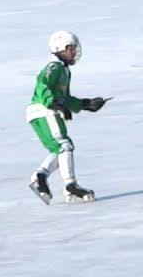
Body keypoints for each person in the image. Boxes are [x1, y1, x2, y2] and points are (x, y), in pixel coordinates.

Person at [26, 31, 107, 204]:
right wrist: (54, 104)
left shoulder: (64, 71)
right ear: (60, 49)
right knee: (64, 146)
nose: (74, 52)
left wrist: (86, 104)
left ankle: (40, 177)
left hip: (46, 111)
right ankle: (70, 186)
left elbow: (65, 98)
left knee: (61, 148)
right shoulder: (54, 67)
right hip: (43, 109)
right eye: (71, 49)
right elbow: (42, 85)